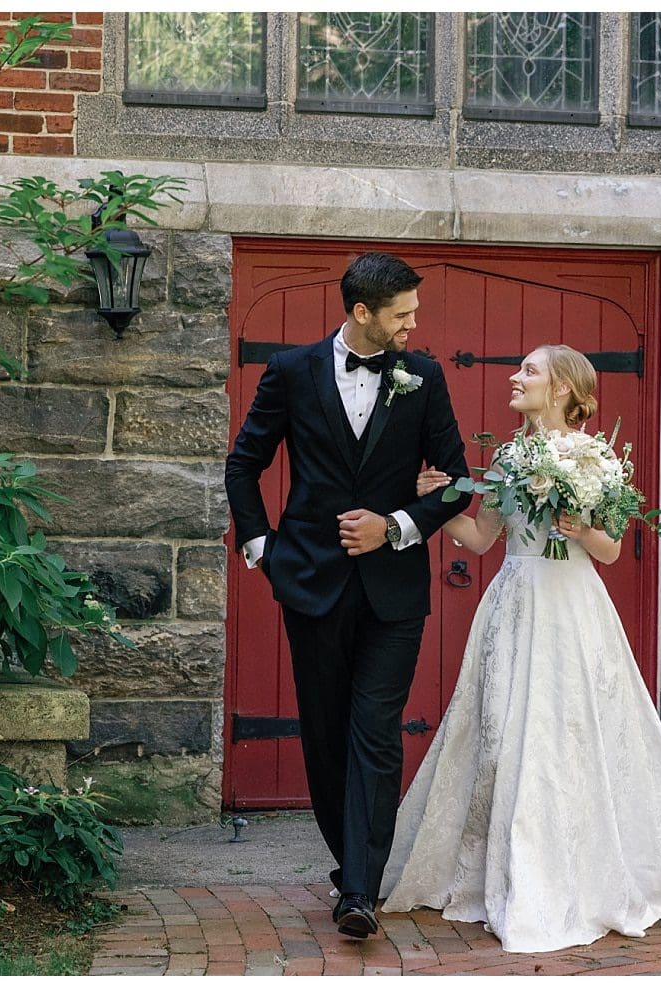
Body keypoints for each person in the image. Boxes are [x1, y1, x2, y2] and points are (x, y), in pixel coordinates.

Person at [378, 344, 661, 953]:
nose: (516, 376)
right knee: (501, 734)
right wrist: (438, 501)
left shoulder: (596, 457)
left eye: (529, 371)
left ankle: (569, 874)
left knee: (567, 732)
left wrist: (581, 529)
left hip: (571, 607)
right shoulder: (507, 458)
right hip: (514, 601)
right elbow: (480, 539)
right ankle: (499, 871)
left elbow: (609, 550)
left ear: (561, 388)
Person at [222, 252, 473, 939]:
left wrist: (395, 526)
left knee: (375, 731)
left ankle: (359, 890)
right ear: (362, 313)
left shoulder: (422, 376)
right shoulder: (291, 372)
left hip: (395, 591)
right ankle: (350, 866)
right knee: (328, 735)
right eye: (403, 315)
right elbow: (244, 465)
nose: (414, 325)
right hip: (310, 582)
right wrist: (264, 551)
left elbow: (457, 479)